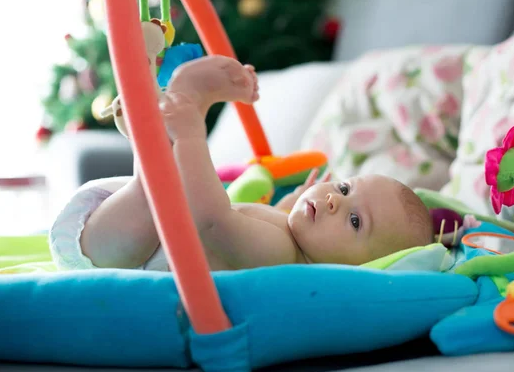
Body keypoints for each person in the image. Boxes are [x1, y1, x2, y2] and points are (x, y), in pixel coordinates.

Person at [49, 56, 433, 272]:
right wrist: (287, 205)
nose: (334, 200)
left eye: (354, 221)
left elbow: (213, 221)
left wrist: (191, 138)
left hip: (111, 254)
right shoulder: (289, 234)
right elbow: (258, 219)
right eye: (345, 188)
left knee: (160, 196)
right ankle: (152, 134)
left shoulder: (280, 255)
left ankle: (169, 120)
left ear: (358, 268)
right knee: (159, 195)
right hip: (125, 235)